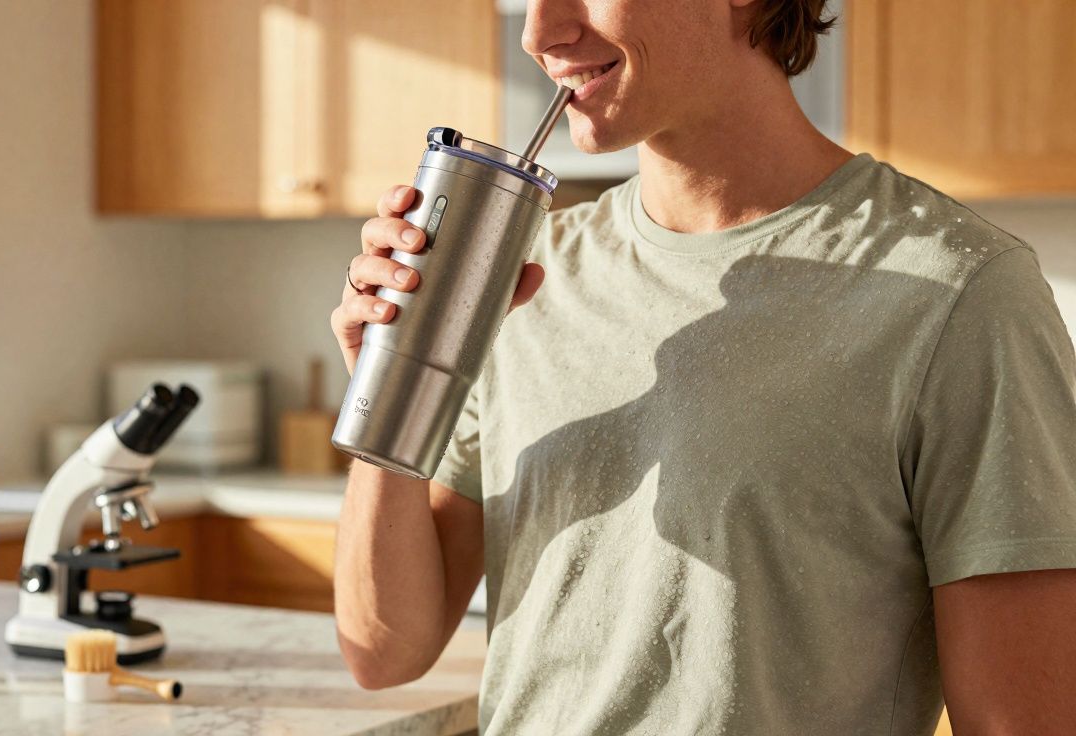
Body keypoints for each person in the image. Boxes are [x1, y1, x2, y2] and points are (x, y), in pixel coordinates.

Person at [329, 0, 1076, 733]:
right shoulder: (518, 278)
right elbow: (384, 650)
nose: (539, 31)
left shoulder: (961, 294)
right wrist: (386, 379)